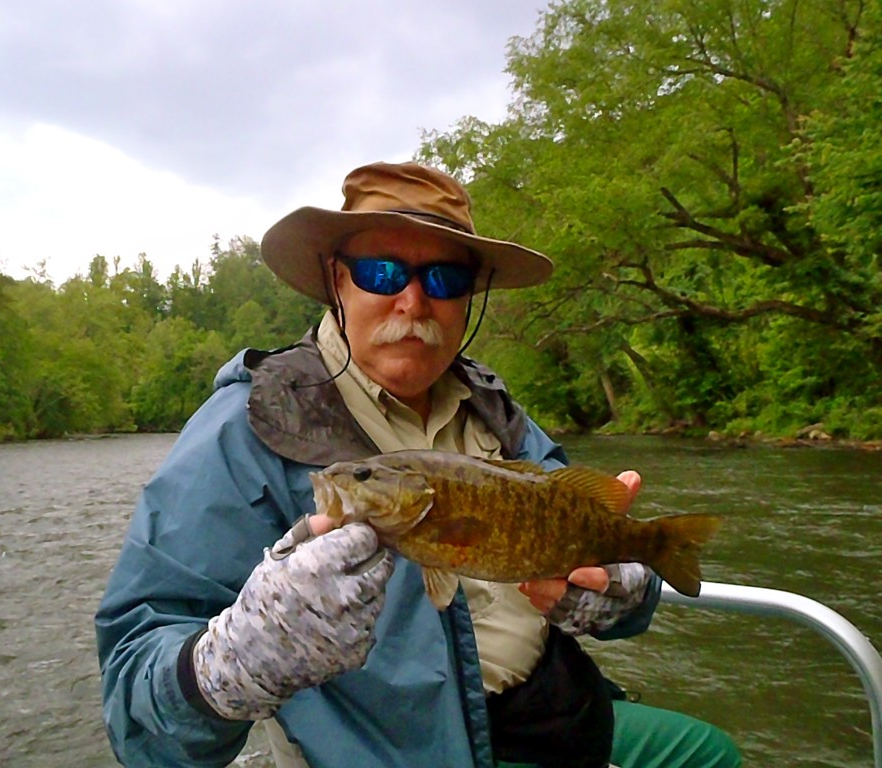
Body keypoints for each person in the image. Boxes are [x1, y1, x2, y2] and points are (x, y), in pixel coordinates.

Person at [95, 161, 741, 768]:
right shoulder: (249, 425)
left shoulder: (496, 411)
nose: (412, 301)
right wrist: (237, 663)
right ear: (337, 280)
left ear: (470, 297)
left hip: (560, 717)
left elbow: (596, 546)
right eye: (382, 272)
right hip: (405, 754)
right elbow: (134, 704)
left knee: (711, 753)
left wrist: (622, 593)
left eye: (444, 279)